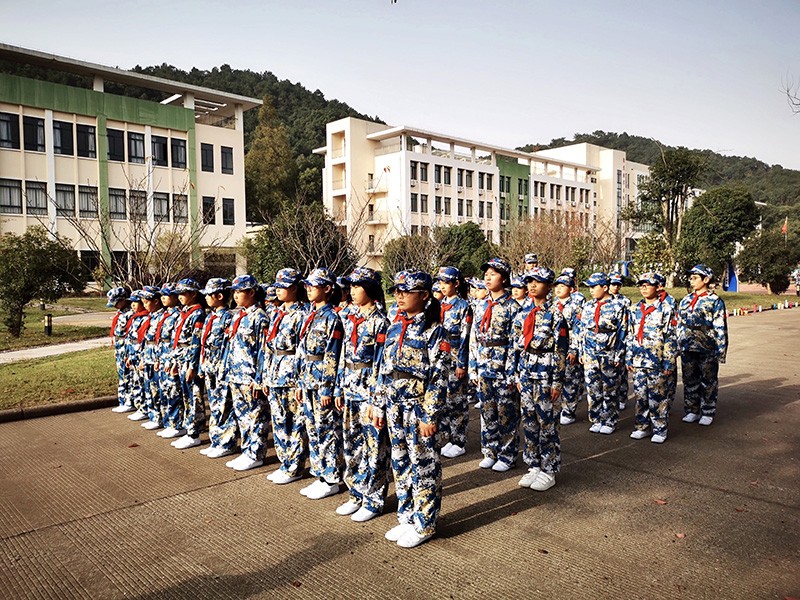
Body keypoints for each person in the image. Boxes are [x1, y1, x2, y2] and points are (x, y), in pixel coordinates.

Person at [373, 270, 450, 548]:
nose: (401, 295)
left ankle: (425, 522)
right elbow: (384, 370)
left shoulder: (434, 330)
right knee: (401, 463)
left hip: (418, 408)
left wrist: (430, 415)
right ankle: (407, 516)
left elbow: (439, 376)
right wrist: (378, 405)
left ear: (425, 295)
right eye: (398, 290)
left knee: (424, 465)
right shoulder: (395, 327)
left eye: (408, 291)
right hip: (394, 406)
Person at [334, 266, 390, 522]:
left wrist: (376, 401)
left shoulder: (381, 321)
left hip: (369, 391)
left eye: (357, 286)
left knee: (374, 447)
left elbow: (382, 365)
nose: (352, 291)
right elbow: (342, 356)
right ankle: (356, 493)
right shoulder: (349, 317)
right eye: (351, 286)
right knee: (352, 444)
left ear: (370, 289)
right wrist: (338, 387)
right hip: (350, 387)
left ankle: (374, 498)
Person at [508, 267, 568, 491]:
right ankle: (533, 464)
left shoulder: (556, 314)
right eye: (529, 281)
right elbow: (516, 346)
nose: (532, 285)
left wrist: (557, 382)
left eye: (538, 282)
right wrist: (516, 374)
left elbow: (560, 350)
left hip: (546, 374)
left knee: (547, 423)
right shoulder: (522, 312)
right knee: (530, 422)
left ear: (549, 286)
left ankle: (549, 468)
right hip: (526, 374)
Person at [295, 268, 345, 500]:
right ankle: (320, 474)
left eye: (313, 286)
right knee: (313, 429)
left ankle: (332, 477)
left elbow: (332, 355)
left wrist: (328, 388)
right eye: (307, 286)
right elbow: (302, 352)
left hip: (321, 382)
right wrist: (299, 382)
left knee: (327, 431)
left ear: (327, 288)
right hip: (308, 380)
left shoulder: (332, 318)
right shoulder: (311, 314)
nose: (308, 290)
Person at [469, 258, 522, 471]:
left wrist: (511, 372)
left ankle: (507, 454)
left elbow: (515, 342)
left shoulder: (512, 307)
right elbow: (474, 336)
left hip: (502, 368)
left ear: (505, 278)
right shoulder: (481, 305)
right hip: (483, 366)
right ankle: (489, 450)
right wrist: (473, 366)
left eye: (493, 274)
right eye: (486, 274)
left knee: (506, 412)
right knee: (487, 411)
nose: (487, 277)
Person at [263, 268, 310, 484]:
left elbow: (303, 349)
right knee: (279, 421)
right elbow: (268, 347)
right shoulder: (277, 313)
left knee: (296, 424)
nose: (278, 290)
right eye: (278, 285)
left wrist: (301, 380)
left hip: (291, 373)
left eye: (284, 286)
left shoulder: (303, 315)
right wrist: (265, 376)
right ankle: (284, 463)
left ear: (295, 288)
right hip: (275, 373)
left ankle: (294, 466)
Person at [220, 274, 269, 470]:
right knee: (242, 417)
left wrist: (258, 379)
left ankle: (256, 454)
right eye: (235, 291)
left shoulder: (260, 317)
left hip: (250, 377)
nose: (236, 295)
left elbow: (263, 351)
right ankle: (247, 450)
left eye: (239, 291)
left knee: (256, 417)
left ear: (251, 292)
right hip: (236, 375)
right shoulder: (238, 316)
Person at [627, 273, 677, 443]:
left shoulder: (666, 310)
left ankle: (660, 429)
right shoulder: (634, 309)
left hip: (657, 361)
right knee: (640, 396)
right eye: (641, 285)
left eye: (648, 285)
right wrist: (629, 357)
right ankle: (642, 427)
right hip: (639, 361)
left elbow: (670, 337)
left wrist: (669, 361)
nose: (644, 288)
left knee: (658, 397)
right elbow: (630, 335)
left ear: (657, 287)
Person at [676, 264, 728, 426]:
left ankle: (707, 410)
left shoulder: (715, 301)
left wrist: (721, 349)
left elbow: (720, 326)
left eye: (695, 278)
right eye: (691, 278)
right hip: (687, 345)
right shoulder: (686, 300)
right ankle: (692, 409)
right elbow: (679, 323)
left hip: (707, 346)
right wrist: (678, 344)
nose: (692, 281)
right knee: (689, 378)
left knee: (708, 379)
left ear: (706, 279)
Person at [576, 272, 628, 434]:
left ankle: (610, 420)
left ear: (605, 287)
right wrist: (581, 351)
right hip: (590, 353)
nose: (591, 290)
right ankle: (596, 418)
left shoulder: (618, 306)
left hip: (609, 353)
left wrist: (619, 355)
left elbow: (623, 332)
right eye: (589, 287)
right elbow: (582, 330)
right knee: (593, 388)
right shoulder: (588, 306)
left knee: (610, 388)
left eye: (594, 287)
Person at [435, 266, 472, 459]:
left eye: (446, 282)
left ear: (456, 284)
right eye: (440, 282)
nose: (442, 286)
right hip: (441, 360)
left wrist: (462, 364)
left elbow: (465, 338)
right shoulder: (439, 305)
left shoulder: (463, 306)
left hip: (455, 358)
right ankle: (447, 437)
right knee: (443, 401)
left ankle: (459, 440)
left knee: (457, 401)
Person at [198, 278, 236, 458]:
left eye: (209, 295)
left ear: (219, 296)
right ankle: (216, 440)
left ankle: (226, 442)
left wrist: (224, 370)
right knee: (214, 404)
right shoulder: (210, 317)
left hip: (221, 370)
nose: (205, 298)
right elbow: (204, 344)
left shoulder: (228, 318)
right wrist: (201, 365)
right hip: (210, 368)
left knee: (224, 406)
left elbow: (229, 347)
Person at [169, 279, 207, 450]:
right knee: (186, 397)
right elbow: (177, 340)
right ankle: (188, 429)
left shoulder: (198, 313)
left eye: (184, 293)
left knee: (194, 397)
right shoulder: (184, 312)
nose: (180, 296)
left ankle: (194, 433)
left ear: (193, 294)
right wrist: (175, 362)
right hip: (181, 358)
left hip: (190, 359)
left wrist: (192, 366)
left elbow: (196, 342)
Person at [552, 272, 585, 425]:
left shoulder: (575, 306)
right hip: (554, 347)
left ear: (571, 289)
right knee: (555, 378)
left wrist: (574, 349)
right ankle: (557, 408)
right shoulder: (551, 305)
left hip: (569, 345)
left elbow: (578, 330)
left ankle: (569, 411)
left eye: (563, 286)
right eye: (556, 286)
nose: (558, 289)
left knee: (571, 380)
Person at [155, 283, 186, 439]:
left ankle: (177, 424)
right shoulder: (164, 315)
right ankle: (168, 422)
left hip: (172, 357)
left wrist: (173, 361)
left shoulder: (178, 315)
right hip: (163, 357)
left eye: (166, 296)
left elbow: (175, 341)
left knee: (174, 392)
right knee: (165, 391)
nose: (162, 299)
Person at [138, 286, 166, 431]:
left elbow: (160, 341)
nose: (144, 304)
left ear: (156, 301)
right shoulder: (150, 317)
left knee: (159, 389)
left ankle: (160, 417)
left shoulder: (163, 317)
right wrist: (143, 358)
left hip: (156, 356)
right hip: (147, 355)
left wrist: (157, 360)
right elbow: (144, 340)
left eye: (146, 301)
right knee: (149, 388)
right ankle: (153, 415)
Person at [107, 287, 134, 413]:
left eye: (116, 302)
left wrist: (128, 352)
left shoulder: (130, 314)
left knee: (128, 376)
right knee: (122, 376)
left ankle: (130, 401)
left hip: (126, 349)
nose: (114, 306)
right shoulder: (120, 314)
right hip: (120, 349)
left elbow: (129, 335)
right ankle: (123, 400)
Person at [125, 291, 149, 422]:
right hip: (134, 353)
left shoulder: (146, 318)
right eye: (132, 303)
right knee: (136, 381)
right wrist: (129, 354)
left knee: (143, 383)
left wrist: (142, 358)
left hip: (141, 354)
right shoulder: (135, 318)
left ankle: (144, 408)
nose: (133, 305)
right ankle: (140, 407)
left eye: (136, 302)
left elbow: (144, 340)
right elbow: (131, 338)